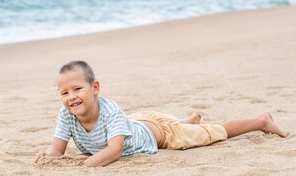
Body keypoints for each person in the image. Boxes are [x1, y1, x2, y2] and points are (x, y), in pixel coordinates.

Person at [33, 60, 288, 167]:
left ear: (95, 88)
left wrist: (86, 164)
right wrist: (48, 157)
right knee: (161, 125)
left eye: (77, 89)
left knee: (213, 133)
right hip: (138, 123)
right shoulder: (66, 114)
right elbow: (58, 149)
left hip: (163, 133)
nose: (71, 97)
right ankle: (188, 120)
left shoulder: (110, 111)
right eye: (64, 93)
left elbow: (115, 151)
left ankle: (260, 120)